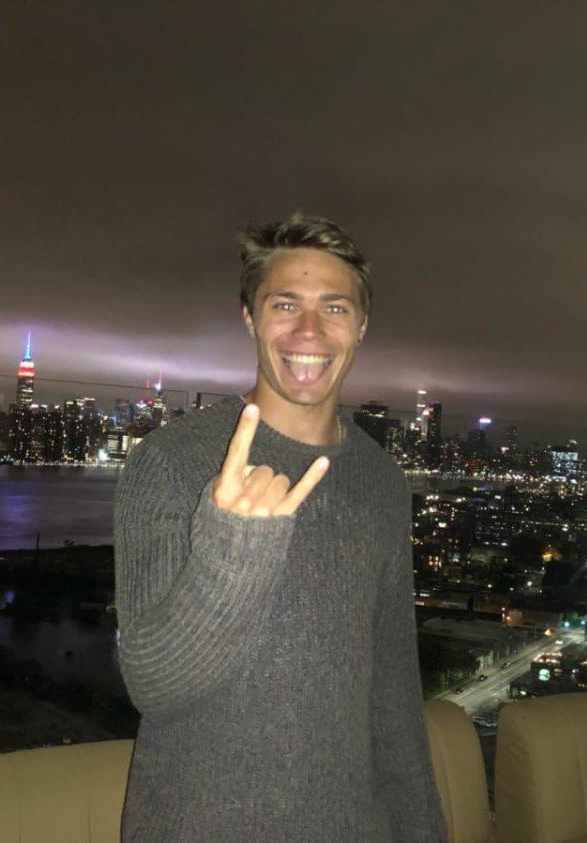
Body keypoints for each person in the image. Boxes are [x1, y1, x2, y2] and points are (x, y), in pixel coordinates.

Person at [114, 212, 448, 841]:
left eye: (335, 308)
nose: (309, 330)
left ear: (362, 326)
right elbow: (152, 686)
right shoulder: (172, 460)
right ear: (250, 318)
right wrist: (235, 547)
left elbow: (394, 693)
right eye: (285, 304)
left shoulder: (381, 481)